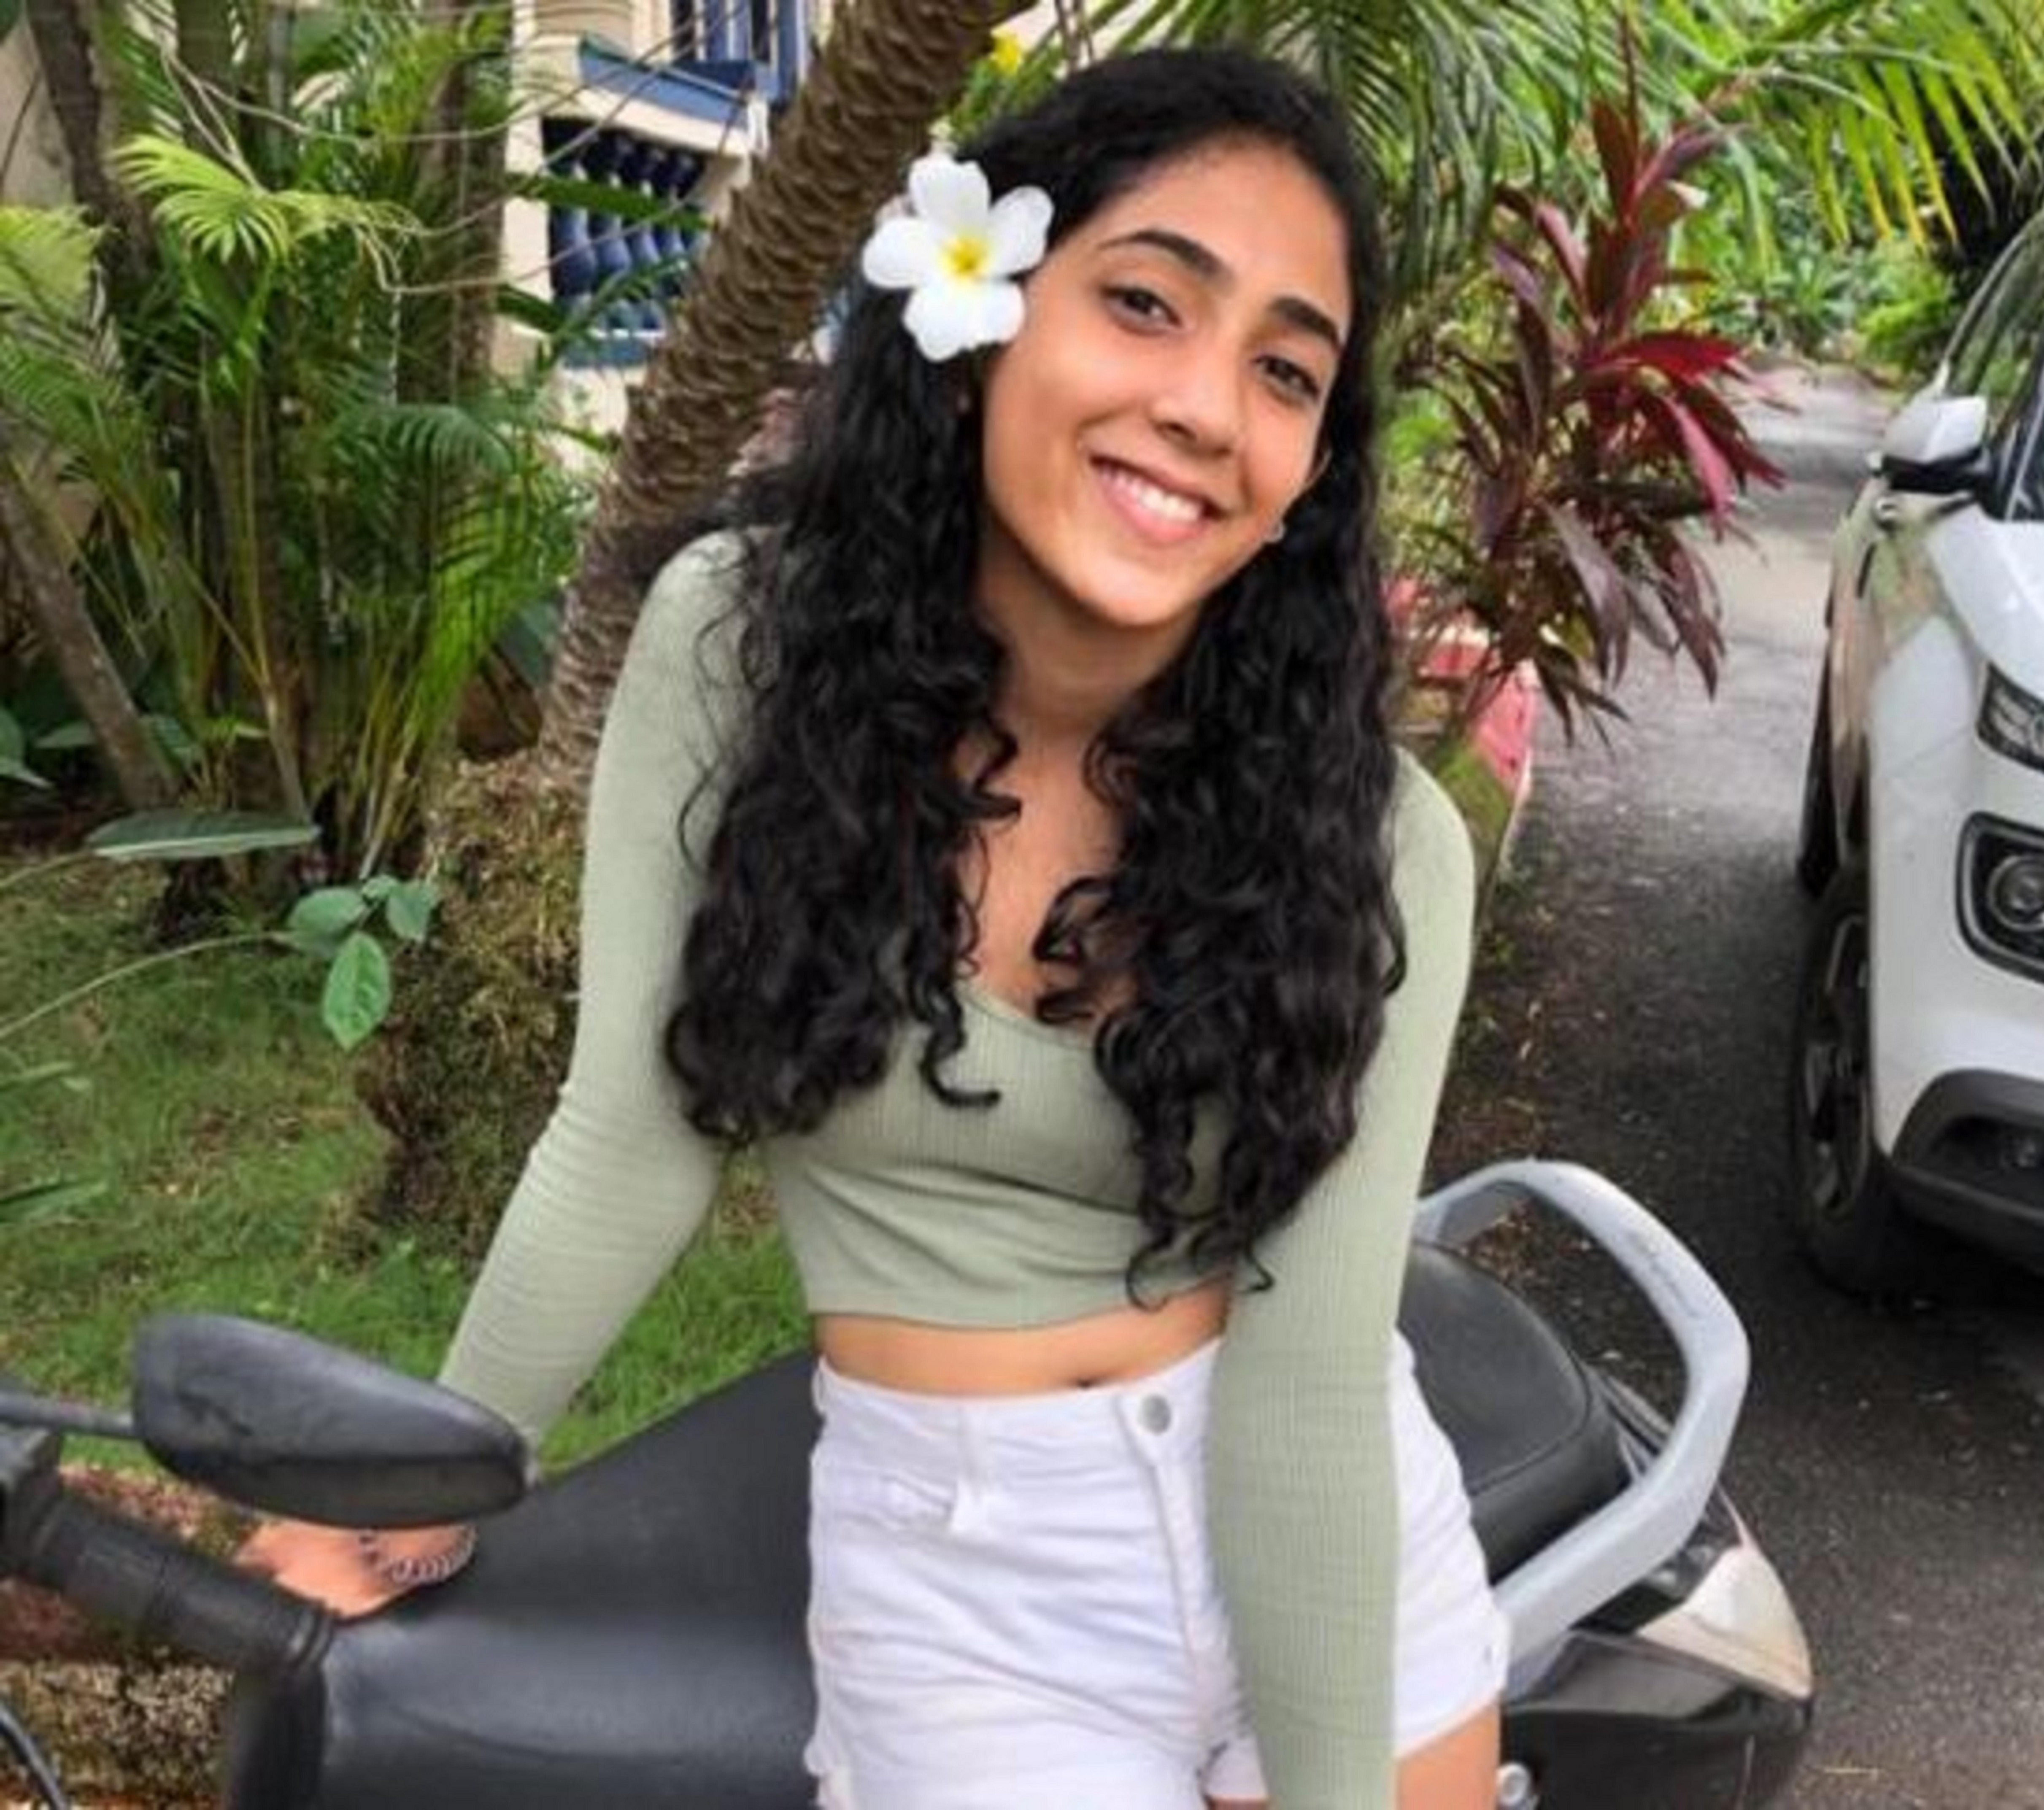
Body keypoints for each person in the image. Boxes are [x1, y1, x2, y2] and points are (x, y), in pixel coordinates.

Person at [245, 46, 1507, 1809]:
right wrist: (418, 1495)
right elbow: (634, 1128)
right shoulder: (741, 655)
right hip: (967, 1578)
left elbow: (1306, 1386)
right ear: (983, 311)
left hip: (1328, 1532)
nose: (1207, 408)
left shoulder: (1377, 843)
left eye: (1283, 368)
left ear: (1308, 465)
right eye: (1146, 303)